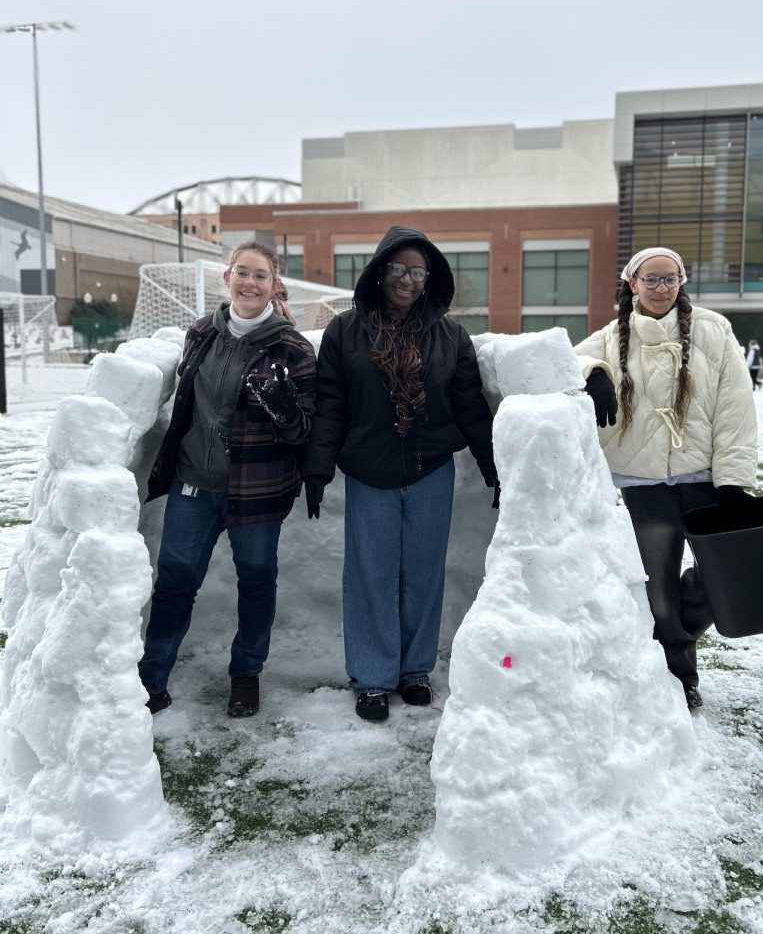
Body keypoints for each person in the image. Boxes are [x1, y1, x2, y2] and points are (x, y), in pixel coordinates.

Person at [302, 225, 497, 723]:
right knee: (370, 573)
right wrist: (318, 468)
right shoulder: (345, 332)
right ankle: (371, 677)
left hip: (431, 469)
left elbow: (470, 407)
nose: (407, 280)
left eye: (417, 271)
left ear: (429, 279)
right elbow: (330, 406)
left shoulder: (451, 337)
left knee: (423, 574)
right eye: (398, 268)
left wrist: (492, 465)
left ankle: (414, 671)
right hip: (369, 470)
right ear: (379, 270)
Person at [574, 247, 757, 710]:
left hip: (705, 483)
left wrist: (733, 481)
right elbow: (563, 360)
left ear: (682, 281)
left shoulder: (714, 332)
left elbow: (736, 410)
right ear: (632, 284)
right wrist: (593, 374)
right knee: (657, 595)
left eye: (670, 279)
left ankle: (669, 636)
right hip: (641, 486)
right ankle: (679, 676)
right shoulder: (611, 335)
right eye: (650, 280)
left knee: (728, 582)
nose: (661, 288)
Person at [139, 241, 317, 718]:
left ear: (274, 285)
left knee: (256, 581)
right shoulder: (202, 334)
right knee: (175, 582)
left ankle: (246, 675)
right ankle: (151, 677)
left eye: (261, 276)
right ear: (227, 278)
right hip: (194, 485)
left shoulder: (292, 349)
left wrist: (284, 410)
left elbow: (304, 430)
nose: (250, 283)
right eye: (242, 272)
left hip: (257, 492)